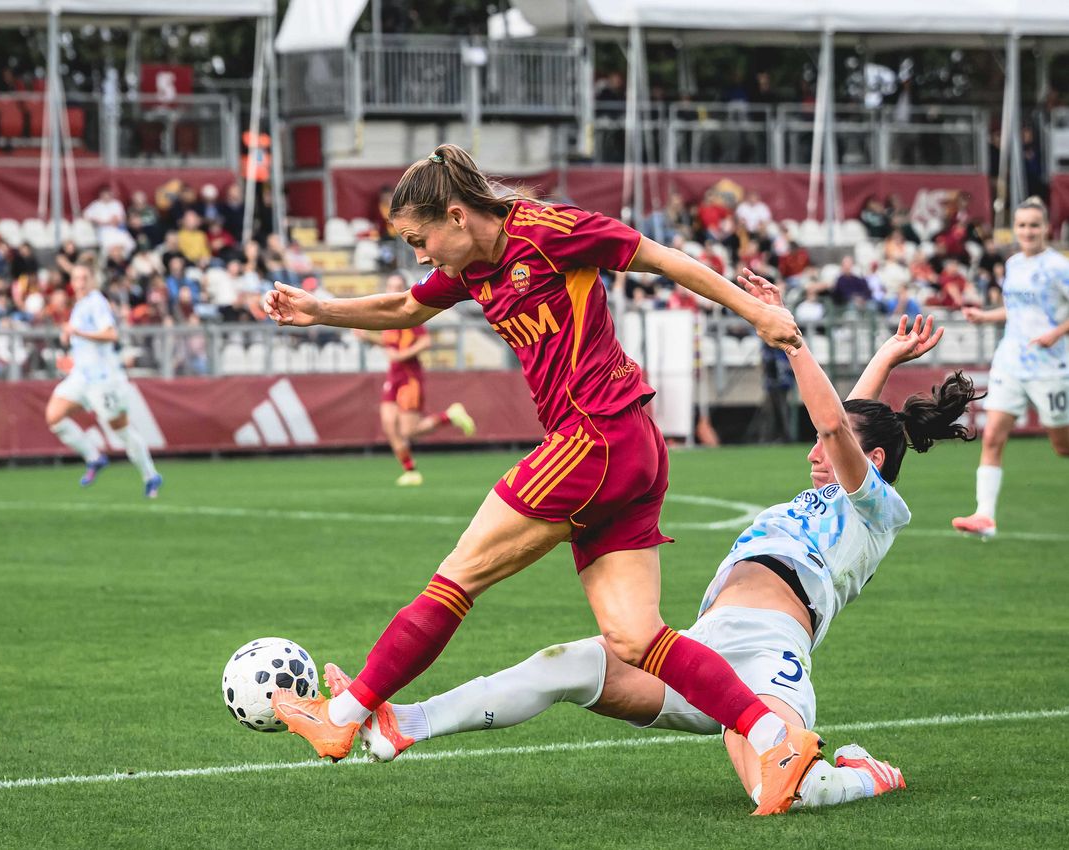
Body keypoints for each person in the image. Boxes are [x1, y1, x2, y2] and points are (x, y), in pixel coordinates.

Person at [264, 144, 818, 816]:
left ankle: (345, 714)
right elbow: (404, 310)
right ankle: (772, 737)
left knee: (458, 576)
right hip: (628, 448)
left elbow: (661, 258)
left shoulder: (550, 232)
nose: (419, 255)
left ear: (458, 216)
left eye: (420, 239)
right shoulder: (472, 267)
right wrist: (319, 309)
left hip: (593, 438)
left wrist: (756, 313)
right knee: (635, 640)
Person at [327, 303, 976, 814]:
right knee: (567, 664)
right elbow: (840, 424)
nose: (811, 452)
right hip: (702, 653)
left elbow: (838, 427)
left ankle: (866, 775)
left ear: (875, 463)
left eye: (824, 447)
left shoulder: (874, 507)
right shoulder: (829, 486)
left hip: (769, 663)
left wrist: (793, 342)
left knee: (784, 794)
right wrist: (887, 356)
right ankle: (403, 722)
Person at [953, 197, 1069, 540]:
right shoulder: (1015, 263)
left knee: (1062, 447)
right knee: (992, 436)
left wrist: (1056, 333)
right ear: (1014, 229)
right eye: (1022, 225)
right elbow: (1014, 310)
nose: (1028, 231)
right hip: (1011, 362)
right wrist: (983, 316)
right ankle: (984, 516)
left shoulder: (1058, 267)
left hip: (1051, 367)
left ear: (1046, 227)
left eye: (1034, 224)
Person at [44, 263, 163, 498]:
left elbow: (111, 334)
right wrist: (69, 338)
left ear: (92, 280)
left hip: (103, 380)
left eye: (84, 278)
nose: (80, 282)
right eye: (76, 278)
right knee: (54, 416)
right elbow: (82, 340)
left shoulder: (97, 302)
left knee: (122, 431)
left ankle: (150, 475)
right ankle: (94, 457)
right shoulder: (79, 305)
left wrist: (78, 333)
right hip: (81, 377)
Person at [353, 272, 478, 486]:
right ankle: (410, 470)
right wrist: (369, 338)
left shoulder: (408, 316)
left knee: (409, 430)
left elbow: (425, 341)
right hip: (394, 374)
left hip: (409, 375)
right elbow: (390, 344)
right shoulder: (388, 318)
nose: (393, 289)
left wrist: (401, 355)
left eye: (398, 286)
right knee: (388, 425)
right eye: (391, 285)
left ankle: (450, 415)